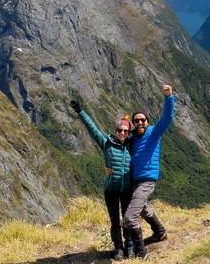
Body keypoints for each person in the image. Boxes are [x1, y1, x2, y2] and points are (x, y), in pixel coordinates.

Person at [70, 100, 133, 260]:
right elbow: (92, 129)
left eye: (125, 131)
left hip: (127, 190)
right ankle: (119, 248)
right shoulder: (107, 144)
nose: (122, 133)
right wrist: (80, 112)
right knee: (114, 221)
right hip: (111, 189)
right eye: (120, 130)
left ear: (129, 132)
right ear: (116, 130)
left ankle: (130, 246)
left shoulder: (133, 146)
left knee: (127, 220)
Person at [124, 84, 175, 259]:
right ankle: (159, 232)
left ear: (147, 121)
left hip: (146, 181)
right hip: (135, 180)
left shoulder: (154, 132)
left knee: (130, 217)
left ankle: (141, 253)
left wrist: (168, 97)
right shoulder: (132, 138)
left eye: (142, 120)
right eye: (136, 120)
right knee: (143, 208)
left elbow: (167, 118)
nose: (139, 122)